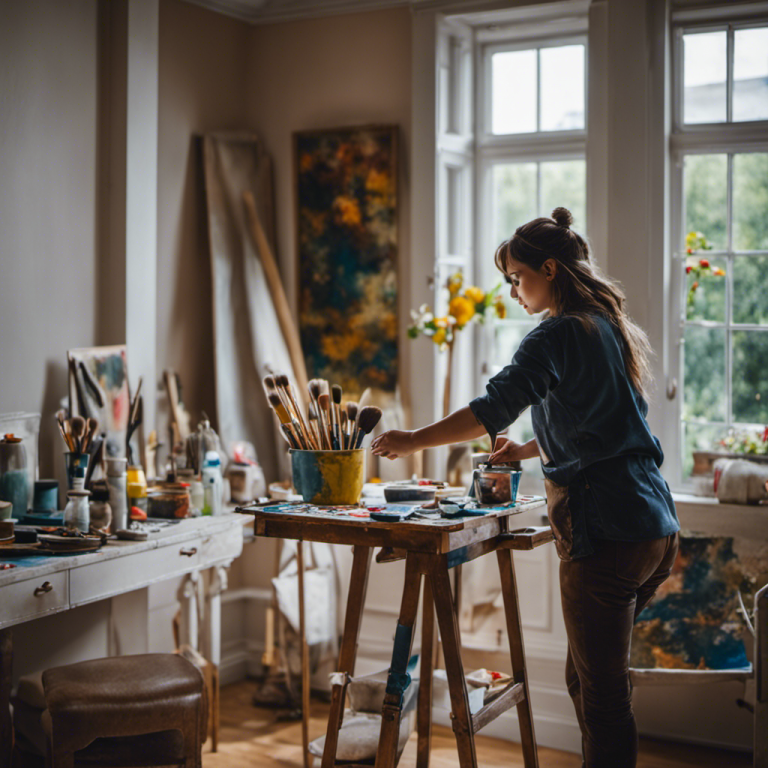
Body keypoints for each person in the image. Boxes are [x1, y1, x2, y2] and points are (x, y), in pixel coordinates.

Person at [371, 206, 680, 768]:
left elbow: (492, 409)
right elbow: (607, 426)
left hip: (606, 534)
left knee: (603, 701)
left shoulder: (555, 335)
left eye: (517, 278)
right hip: (654, 528)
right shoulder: (606, 328)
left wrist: (412, 439)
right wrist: (526, 451)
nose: (513, 291)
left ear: (551, 269)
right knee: (588, 683)